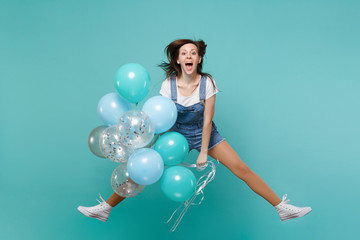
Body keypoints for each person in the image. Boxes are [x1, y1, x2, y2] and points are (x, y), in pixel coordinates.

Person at [77, 39, 312, 223]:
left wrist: (202, 151)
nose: (188, 56)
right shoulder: (168, 85)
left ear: (199, 59)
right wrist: (152, 147)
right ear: (178, 61)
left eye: (193, 53)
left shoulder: (207, 82)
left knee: (242, 169)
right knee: (141, 167)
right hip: (174, 134)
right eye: (184, 53)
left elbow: (208, 121)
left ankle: (282, 208)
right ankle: (105, 209)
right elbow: (162, 118)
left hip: (204, 134)